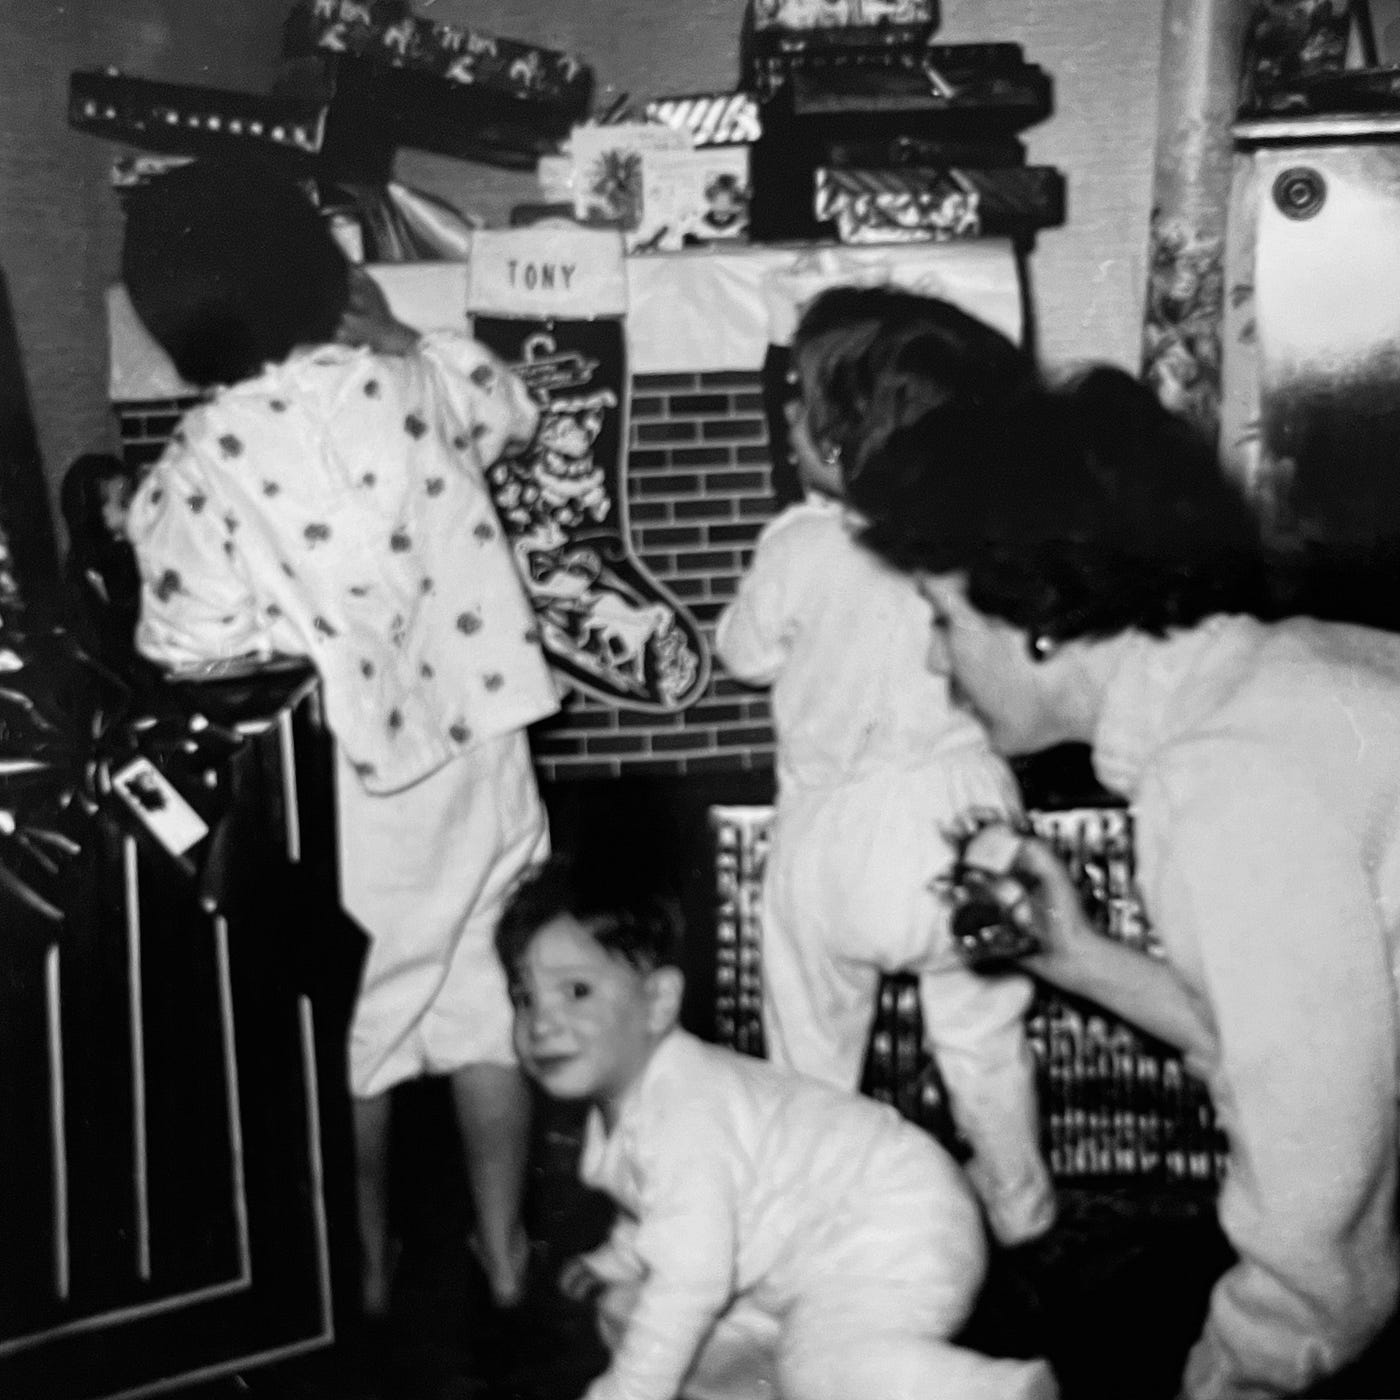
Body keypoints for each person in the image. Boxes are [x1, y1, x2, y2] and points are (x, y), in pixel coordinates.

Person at [854, 359, 1400, 1400]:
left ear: (1036, 615)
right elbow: (1294, 1047)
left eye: (942, 618)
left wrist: (1227, 1375)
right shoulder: (1263, 686)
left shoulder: (1227, 777)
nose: (935, 662)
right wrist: (1076, 956)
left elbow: (1316, 1223)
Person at [119, 159, 560, 1323]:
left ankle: (353, 1271)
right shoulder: (410, 377)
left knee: (351, 1027)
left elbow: (185, 643)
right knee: (481, 1000)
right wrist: (407, 330)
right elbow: (509, 408)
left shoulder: (203, 460)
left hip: (347, 782)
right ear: (328, 276)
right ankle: (508, 1249)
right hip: (482, 746)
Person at [714, 286, 1055, 1247]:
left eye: (800, 402)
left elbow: (744, 653)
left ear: (844, 440)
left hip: (836, 834)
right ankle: (1022, 1212)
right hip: (965, 820)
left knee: (812, 1044)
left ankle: (813, 1223)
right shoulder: (971, 544)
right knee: (986, 1042)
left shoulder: (800, 545)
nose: (785, 415)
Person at [495, 850, 1060, 1400]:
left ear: (659, 1000)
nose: (541, 1022)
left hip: (891, 1225)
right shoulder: (636, 1101)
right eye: (525, 997)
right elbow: (659, 1203)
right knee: (626, 1308)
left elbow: (691, 1274)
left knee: (813, 1368)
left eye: (576, 991)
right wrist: (616, 1258)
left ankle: (995, 1391)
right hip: (812, 1251)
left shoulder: (686, 1113)